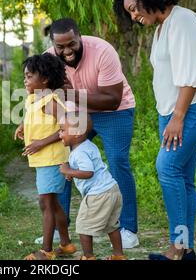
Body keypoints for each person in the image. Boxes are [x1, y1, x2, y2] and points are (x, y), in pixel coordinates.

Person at [113, 0, 196, 260]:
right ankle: (186, 249)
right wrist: (169, 115)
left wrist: (178, 117)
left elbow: (190, 77)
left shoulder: (182, 21)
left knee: (167, 168)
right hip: (173, 113)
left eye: (134, 8)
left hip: (192, 109)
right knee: (183, 179)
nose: (133, 16)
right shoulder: (162, 27)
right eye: (129, 12)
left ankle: (177, 248)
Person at [39, 18, 139, 249]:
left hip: (115, 111)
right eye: (60, 47)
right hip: (76, 113)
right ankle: (58, 229)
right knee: (62, 160)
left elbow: (112, 100)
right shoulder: (49, 59)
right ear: (53, 44)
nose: (67, 51)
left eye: (72, 44)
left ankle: (128, 228)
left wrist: (72, 94)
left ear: (80, 37)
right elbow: (43, 94)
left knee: (117, 162)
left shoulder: (103, 51)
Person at [14, 53, 77, 260]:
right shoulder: (33, 99)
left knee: (46, 202)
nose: (25, 80)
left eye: (29, 76)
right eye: (25, 76)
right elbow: (32, 117)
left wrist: (41, 142)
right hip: (43, 159)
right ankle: (66, 244)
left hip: (53, 158)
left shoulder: (50, 101)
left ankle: (47, 250)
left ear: (45, 80)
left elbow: (65, 127)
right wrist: (23, 126)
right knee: (50, 202)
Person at [58, 112, 127, 260]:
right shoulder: (88, 145)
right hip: (112, 189)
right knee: (112, 225)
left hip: (98, 194)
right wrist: (72, 173)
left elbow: (88, 172)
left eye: (63, 129)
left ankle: (88, 257)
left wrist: (68, 170)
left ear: (77, 133)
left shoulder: (79, 152)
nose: (60, 133)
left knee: (83, 226)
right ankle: (118, 255)